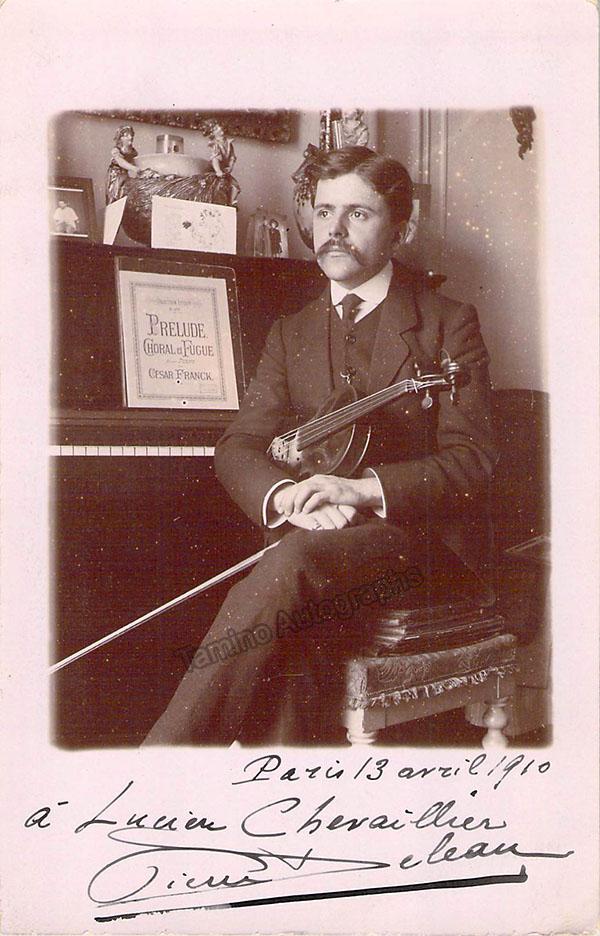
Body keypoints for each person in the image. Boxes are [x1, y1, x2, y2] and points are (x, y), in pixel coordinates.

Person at [144, 145, 497, 747]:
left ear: (401, 228)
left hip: (417, 552)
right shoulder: (292, 331)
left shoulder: (448, 322)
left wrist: (357, 491)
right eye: (325, 211)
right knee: (295, 624)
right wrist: (290, 498)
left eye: (358, 214)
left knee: (291, 565)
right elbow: (238, 445)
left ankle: (163, 765)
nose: (334, 229)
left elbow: (474, 463)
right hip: (321, 549)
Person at [105, 124, 139, 204]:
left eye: (131, 135)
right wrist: (134, 168)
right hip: (116, 175)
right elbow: (121, 162)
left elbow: (136, 162)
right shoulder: (116, 150)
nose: (130, 137)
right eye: (126, 135)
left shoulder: (132, 151)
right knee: (115, 195)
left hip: (125, 175)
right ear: (120, 138)